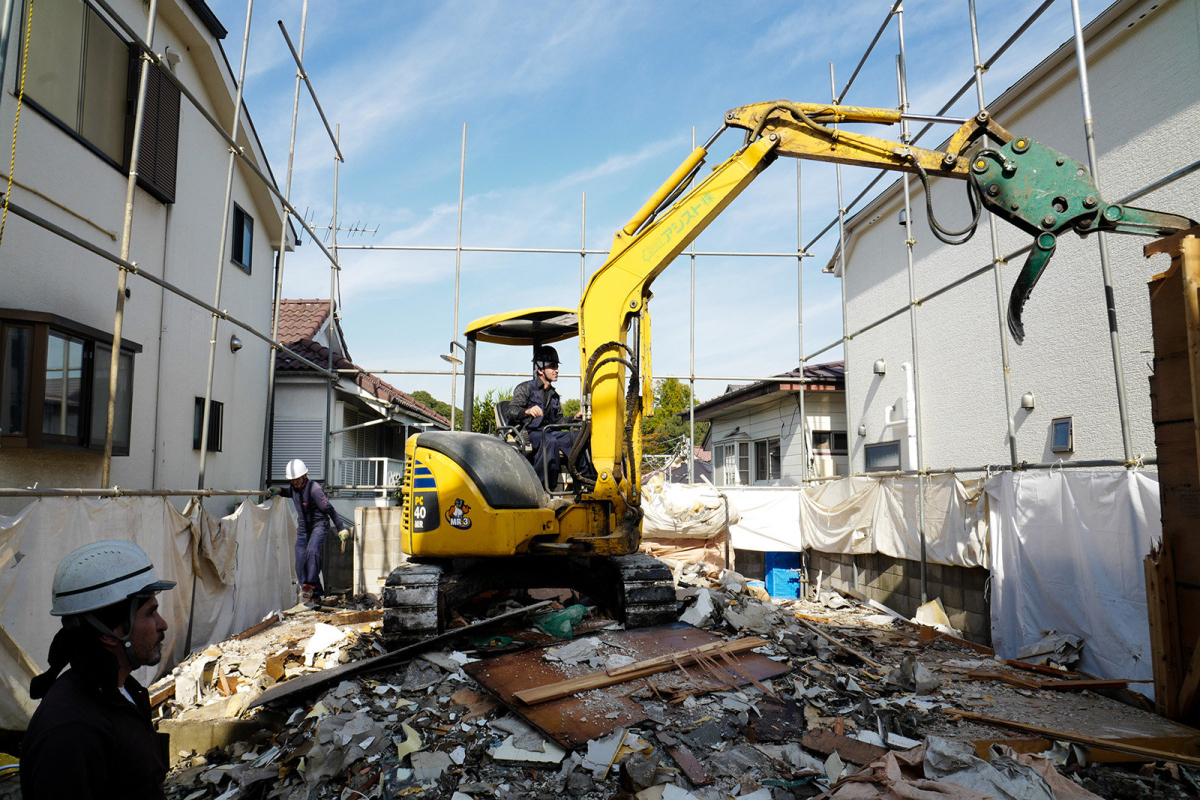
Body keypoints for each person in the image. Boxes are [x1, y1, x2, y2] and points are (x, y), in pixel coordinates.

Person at [22, 540, 176, 800]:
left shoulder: (121, 690)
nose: (163, 624)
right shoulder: (73, 732)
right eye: (150, 614)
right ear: (110, 634)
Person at [506, 344, 580, 488]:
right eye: (552, 366)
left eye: (557, 366)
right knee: (550, 440)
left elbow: (558, 421)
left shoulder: (554, 395)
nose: (557, 370)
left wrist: (574, 418)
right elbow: (511, 410)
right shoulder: (525, 388)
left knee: (577, 436)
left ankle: (582, 482)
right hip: (529, 432)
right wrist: (527, 411)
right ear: (540, 369)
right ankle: (543, 487)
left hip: (549, 431)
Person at [275, 459, 347, 603]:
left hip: (319, 524)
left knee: (312, 551)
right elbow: (291, 492)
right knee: (300, 556)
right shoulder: (294, 488)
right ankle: (313, 594)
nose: (294, 482)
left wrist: (341, 528)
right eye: (292, 480)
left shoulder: (314, 489)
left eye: (297, 479)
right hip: (303, 527)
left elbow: (329, 509)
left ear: (305, 475)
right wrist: (280, 491)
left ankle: (309, 586)